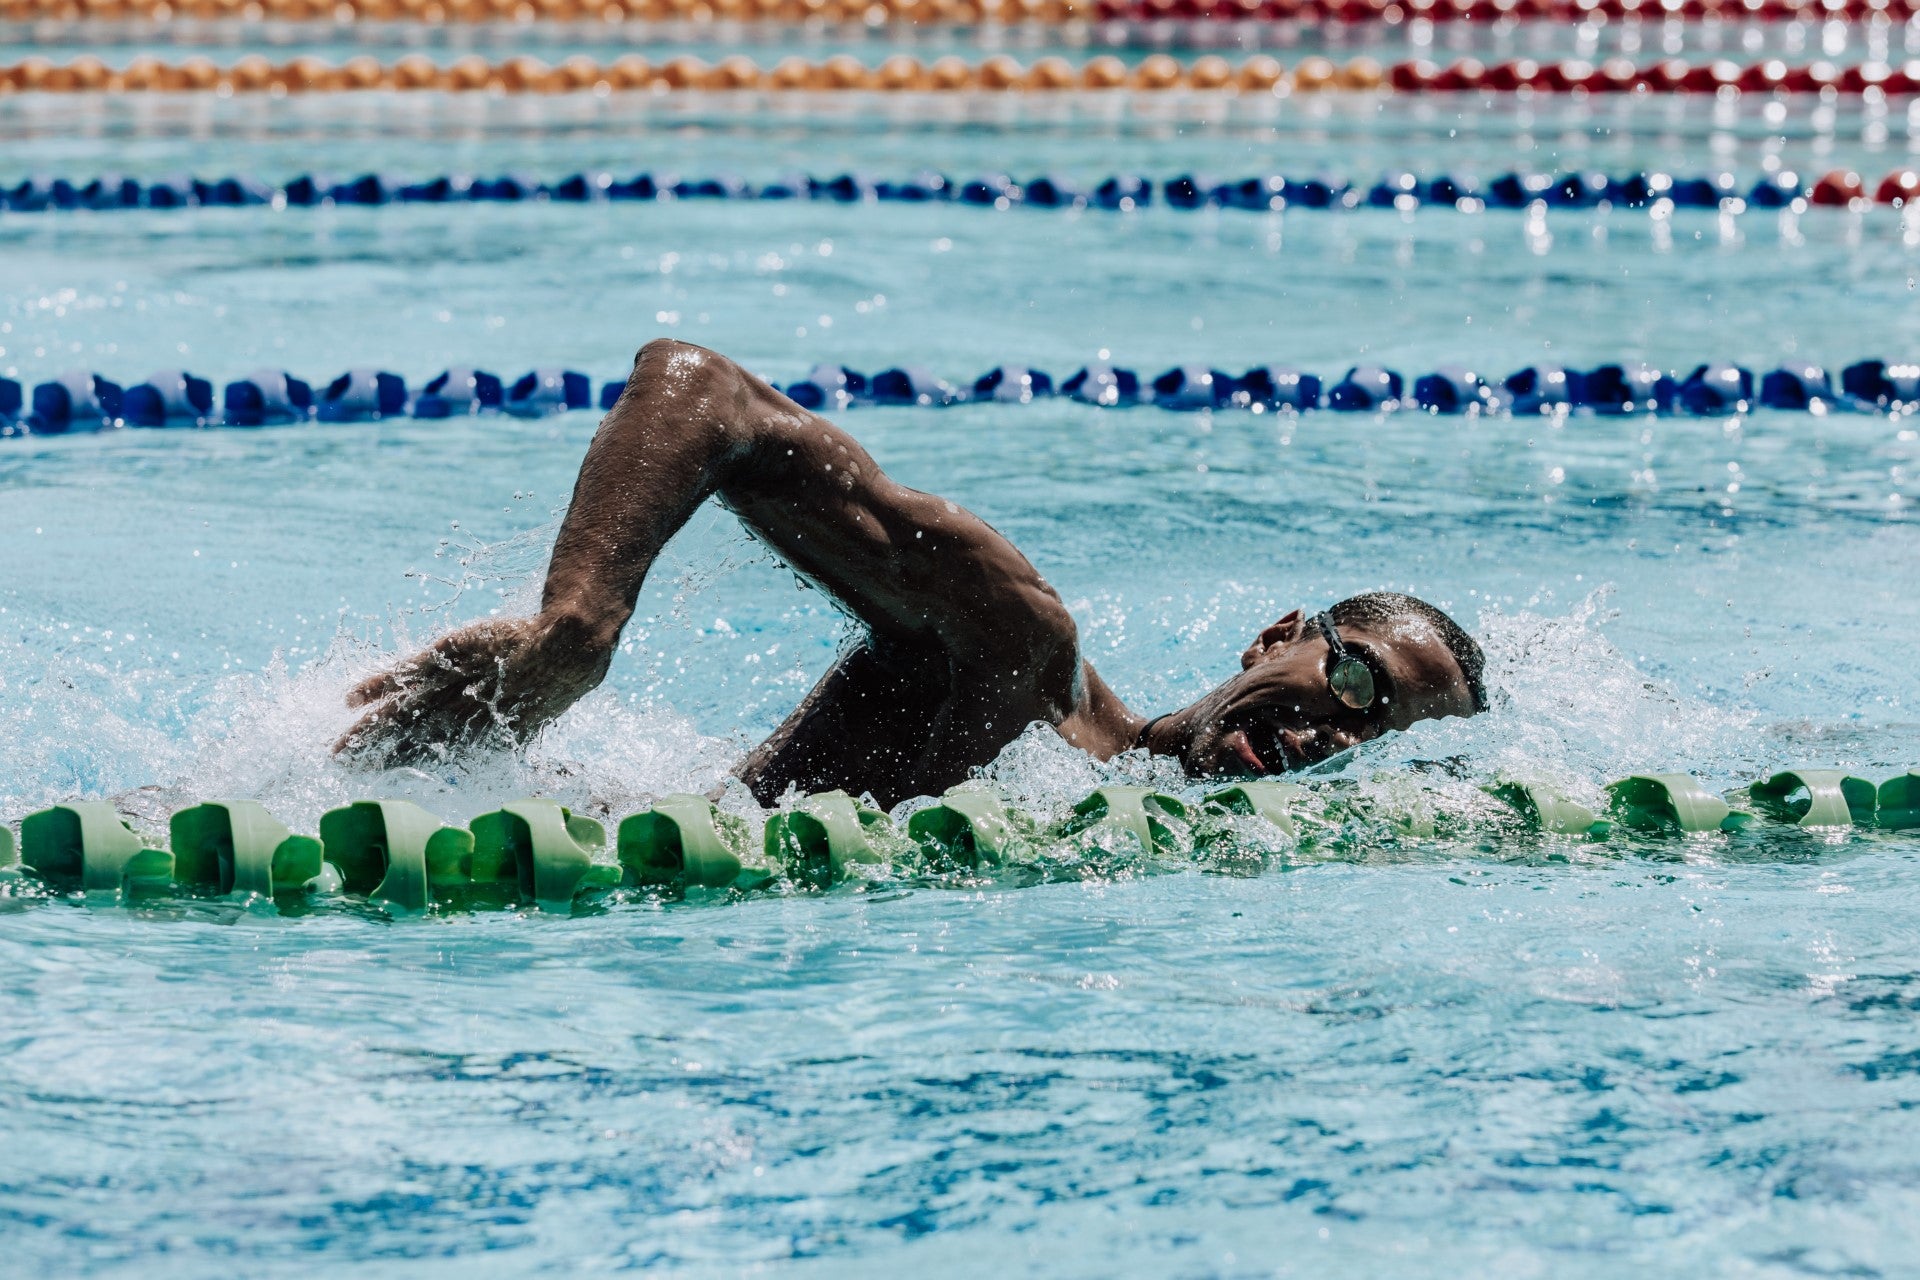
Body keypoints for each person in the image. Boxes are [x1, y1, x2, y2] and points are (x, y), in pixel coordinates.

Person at [337, 339, 1488, 807]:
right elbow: (703, 389)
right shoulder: (1017, 652)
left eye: (1372, 743)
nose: (1332, 738)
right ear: (1276, 633)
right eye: (1355, 684)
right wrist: (576, 628)